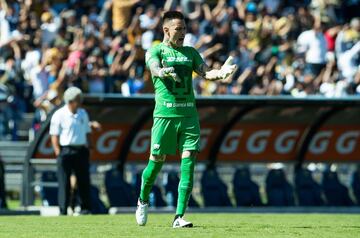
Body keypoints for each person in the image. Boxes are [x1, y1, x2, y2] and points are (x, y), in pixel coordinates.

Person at [135, 11, 236, 228]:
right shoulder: (156, 50)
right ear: (166, 30)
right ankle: (143, 200)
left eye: (184, 29)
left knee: (188, 164)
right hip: (165, 116)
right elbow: (152, 65)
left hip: (189, 116)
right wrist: (161, 72)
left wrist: (220, 73)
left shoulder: (190, 52)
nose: (182, 33)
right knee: (156, 163)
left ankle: (178, 216)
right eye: (178, 29)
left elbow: (205, 72)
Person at [50, 87, 92, 215]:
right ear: (71, 101)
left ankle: (85, 208)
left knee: (84, 180)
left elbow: (87, 132)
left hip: (80, 150)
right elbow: (54, 135)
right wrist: (57, 151)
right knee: (64, 182)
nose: (80, 102)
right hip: (66, 151)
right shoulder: (59, 114)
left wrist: (89, 146)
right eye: (78, 100)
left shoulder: (83, 113)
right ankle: (63, 210)